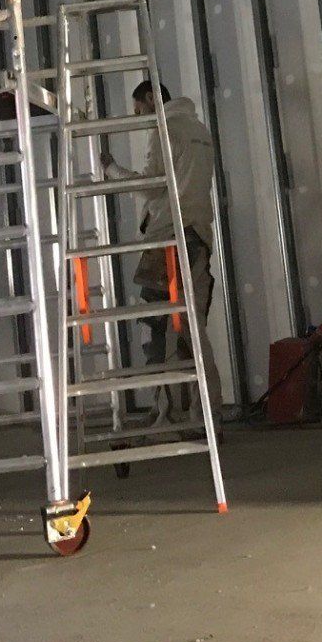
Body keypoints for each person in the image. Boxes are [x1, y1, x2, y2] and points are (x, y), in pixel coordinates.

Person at [101, 81, 220, 423]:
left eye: (139, 109)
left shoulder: (165, 130)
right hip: (198, 238)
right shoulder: (200, 131)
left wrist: (112, 170)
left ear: (153, 99)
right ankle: (206, 416)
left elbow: (152, 186)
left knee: (155, 329)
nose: (140, 117)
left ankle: (164, 414)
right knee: (191, 330)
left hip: (169, 238)